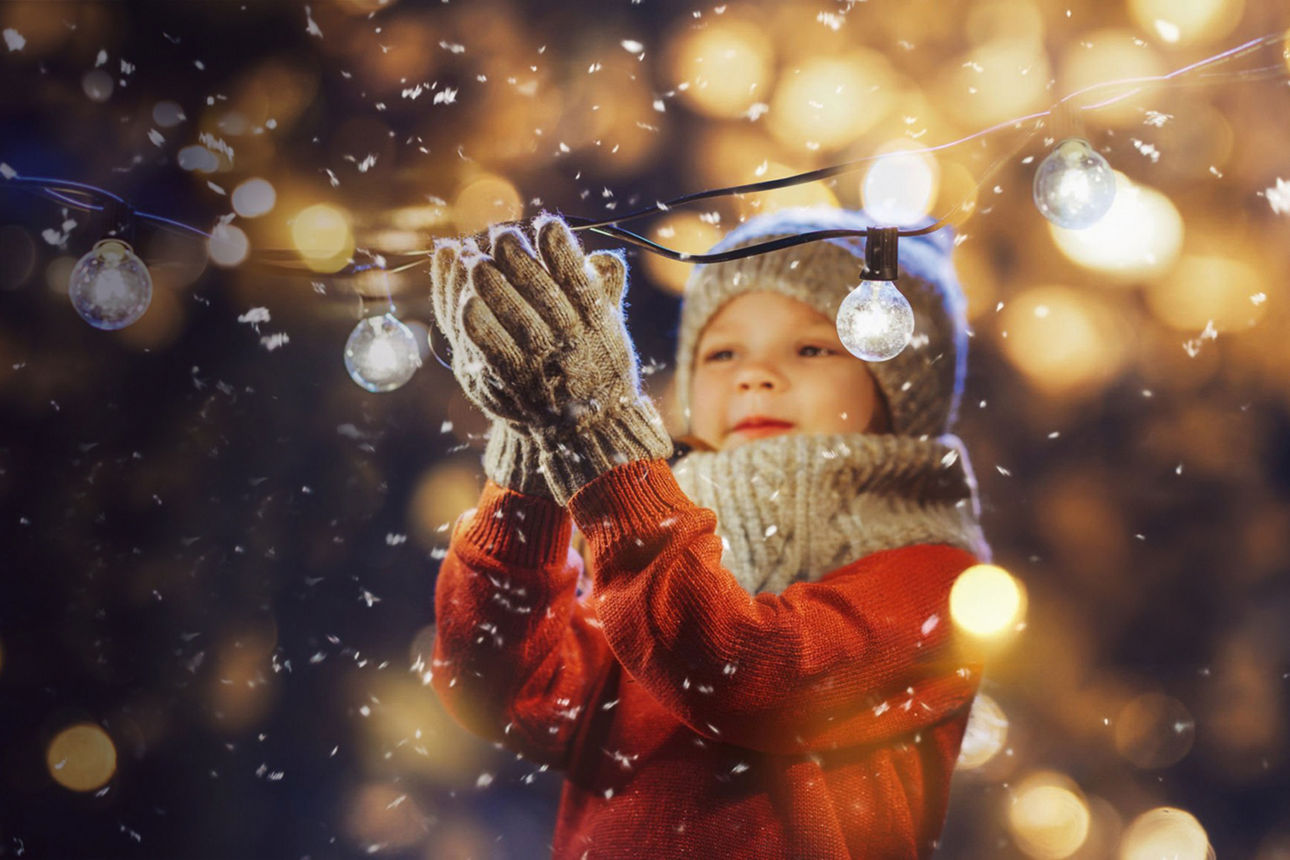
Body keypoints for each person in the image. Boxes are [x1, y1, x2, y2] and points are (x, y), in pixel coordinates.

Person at [427, 206, 992, 859]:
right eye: (723, 352)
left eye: (811, 347)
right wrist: (531, 459)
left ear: (899, 393)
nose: (755, 375)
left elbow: (748, 674)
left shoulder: (939, 580)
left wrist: (598, 432)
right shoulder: (644, 543)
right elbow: (507, 693)